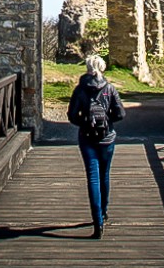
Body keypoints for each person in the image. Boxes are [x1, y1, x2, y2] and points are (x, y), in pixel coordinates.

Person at [66, 54, 126, 239]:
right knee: (104, 174)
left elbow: (72, 115)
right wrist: (108, 121)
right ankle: (104, 211)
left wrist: (85, 122)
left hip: (87, 138)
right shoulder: (109, 88)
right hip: (107, 138)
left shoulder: (80, 89)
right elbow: (120, 113)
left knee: (93, 178)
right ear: (102, 68)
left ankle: (97, 222)